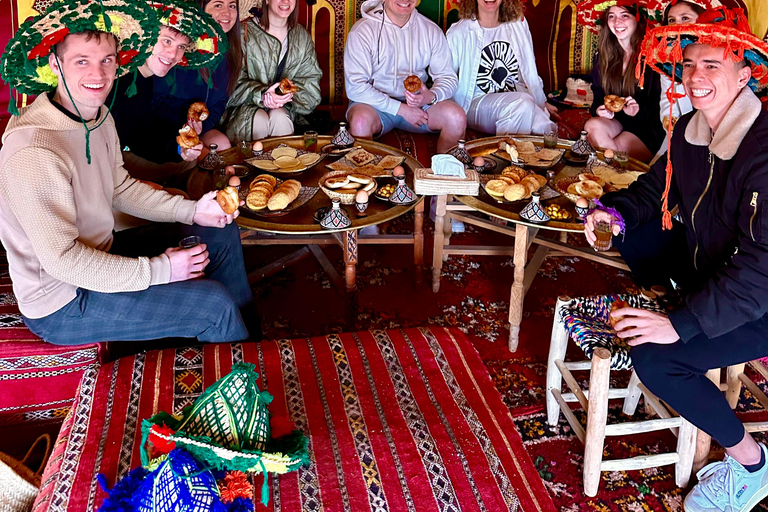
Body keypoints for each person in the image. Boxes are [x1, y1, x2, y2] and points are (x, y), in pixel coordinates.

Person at [583, 8, 768, 510]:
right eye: (689, 65)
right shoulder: (690, 127)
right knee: (630, 234)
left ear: (744, 74)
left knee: (657, 359)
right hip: (709, 267)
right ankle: (670, 304)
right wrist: (612, 214)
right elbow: (654, 188)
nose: (696, 77)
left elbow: (760, 272)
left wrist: (681, 325)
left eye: (712, 65)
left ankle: (752, 463)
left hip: (759, 300)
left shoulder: (763, 151)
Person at [0, 0, 254, 345]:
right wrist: (161, 271)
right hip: (63, 300)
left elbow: (120, 187)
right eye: (82, 61)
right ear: (55, 65)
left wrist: (194, 210)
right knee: (214, 304)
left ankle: (246, 338)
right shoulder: (34, 149)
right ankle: (231, 355)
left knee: (218, 230)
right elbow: (63, 262)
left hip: (103, 250)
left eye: (106, 60)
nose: (98, 74)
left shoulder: (98, 116)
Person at [111, 0, 227, 183]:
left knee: (193, 163)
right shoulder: (116, 77)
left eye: (181, 47)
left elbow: (141, 135)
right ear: (147, 35)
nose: (173, 54)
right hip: (100, 172)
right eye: (167, 41)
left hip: (118, 159)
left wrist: (181, 148)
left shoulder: (145, 79)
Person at [344, 0, 466, 153]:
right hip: (375, 106)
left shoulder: (430, 30)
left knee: (456, 117)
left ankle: (446, 174)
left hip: (418, 105)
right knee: (360, 121)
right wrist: (401, 110)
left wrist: (431, 96)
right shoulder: (362, 31)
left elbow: (447, 77)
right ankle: (366, 174)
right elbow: (356, 87)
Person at [446, 0, 557, 136]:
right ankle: (504, 153)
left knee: (546, 128)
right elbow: (447, 79)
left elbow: (529, 68)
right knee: (522, 104)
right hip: (475, 103)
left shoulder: (518, 24)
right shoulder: (458, 33)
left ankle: (513, 153)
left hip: (516, 99)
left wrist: (541, 101)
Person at [223, 0, 322, 142]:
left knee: (280, 117)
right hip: (244, 111)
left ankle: (286, 162)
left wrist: (282, 99)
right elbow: (229, 85)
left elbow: (311, 87)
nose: (285, 1)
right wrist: (262, 95)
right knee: (259, 119)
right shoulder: (243, 33)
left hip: (288, 111)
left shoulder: (301, 37)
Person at [577, 1, 664, 162]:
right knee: (592, 126)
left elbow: (660, 108)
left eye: (624, 15)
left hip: (645, 127)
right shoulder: (602, 56)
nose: (617, 22)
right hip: (616, 121)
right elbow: (597, 96)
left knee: (612, 150)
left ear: (638, 19)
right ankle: (614, 176)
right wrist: (599, 110)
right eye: (612, 16)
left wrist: (637, 111)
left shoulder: (653, 57)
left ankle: (610, 178)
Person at [153, 0, 243, 152]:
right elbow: (153, 102)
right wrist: (184, 129)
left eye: (232, 6)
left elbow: (221, 102)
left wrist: (201, 127)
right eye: (218, 5)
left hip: (201, 130)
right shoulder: (177, 51)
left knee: (222, 145)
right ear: (201, 10)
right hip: (162, 132)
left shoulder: (231, 53)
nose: (226, 12)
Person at [656, 0, 719, 153]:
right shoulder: (668, 64)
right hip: (679, 136)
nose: (677, 26)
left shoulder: (719, 54)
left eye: (685, 18)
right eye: (672, 20)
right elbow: (667, 103)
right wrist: (673, 130)